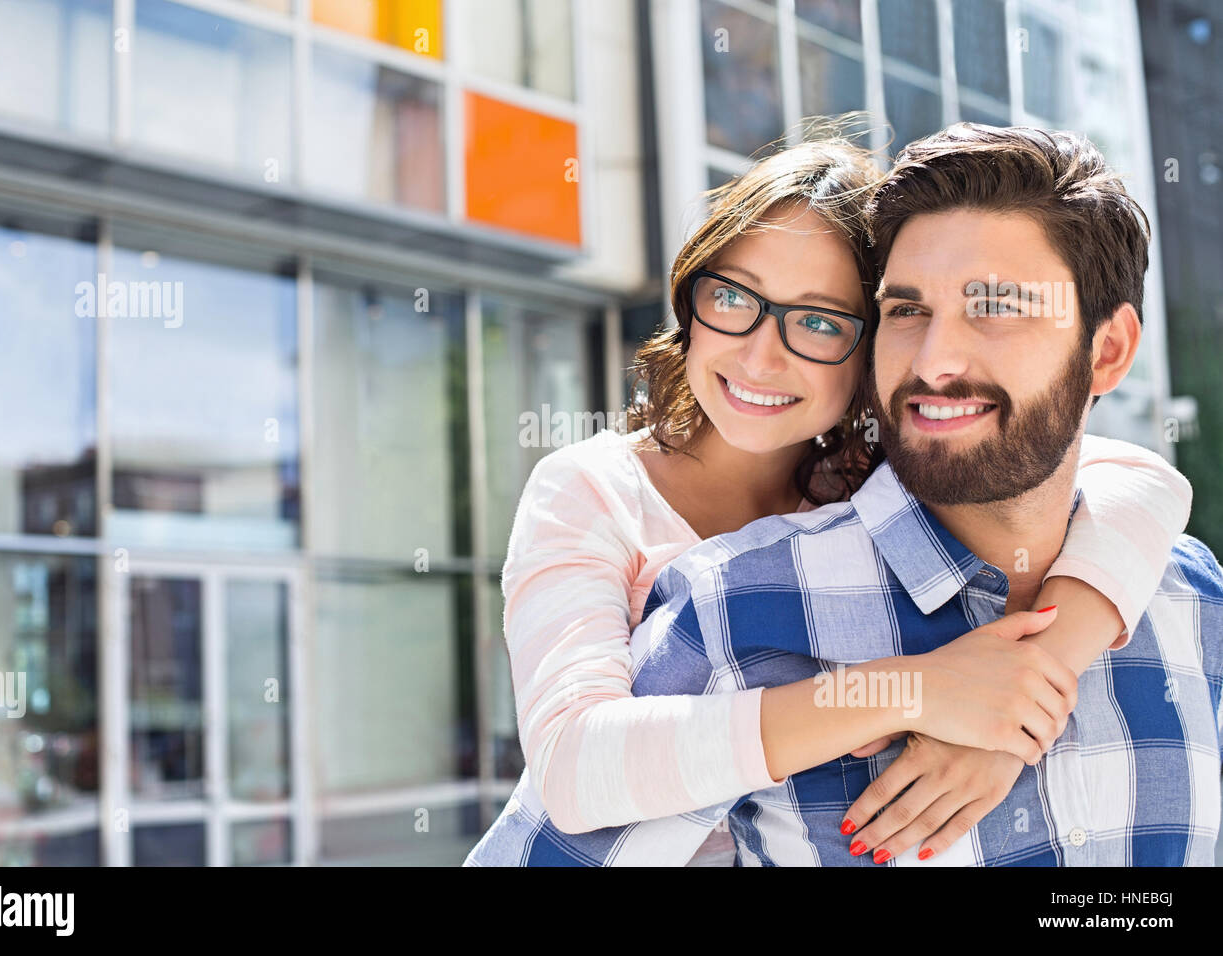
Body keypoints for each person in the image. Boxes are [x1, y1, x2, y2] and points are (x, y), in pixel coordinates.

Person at [466, 123, 1221, 866]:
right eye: (732, 298)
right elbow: (573, 768)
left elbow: (1139, 481)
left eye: (820, 322)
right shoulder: (610, 502)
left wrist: (1028, 692)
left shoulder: (870, 481)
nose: (761, 355)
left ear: (866, 357)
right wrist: (918, 692)